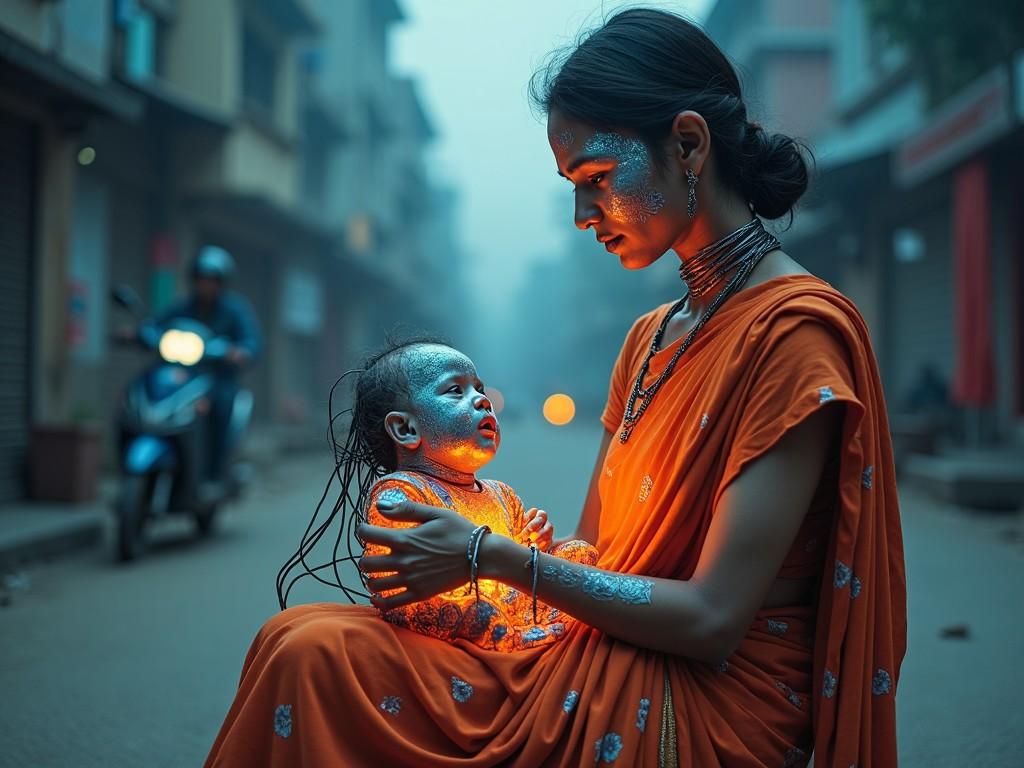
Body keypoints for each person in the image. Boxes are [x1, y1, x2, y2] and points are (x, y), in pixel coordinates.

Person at [204, 9, 905, 767]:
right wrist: (471, 559)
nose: (581, 215)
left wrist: (489, 556)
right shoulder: (648, 339)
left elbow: (711, 619)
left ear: (689, 145)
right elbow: (599, 554)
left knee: (314, 665)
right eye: (572, 187)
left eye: (598, 179)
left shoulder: (795, 334)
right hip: (601, 646)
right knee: (297, 637)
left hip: (711, 691)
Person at [142, 245, 262, 496]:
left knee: (220, 404)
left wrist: (240, 351)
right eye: (201, 279)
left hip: (216, 378)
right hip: (182, 376)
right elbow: (157, 326)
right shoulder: (182, 307)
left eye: (211, 281)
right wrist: (138, 334)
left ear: (221, 283)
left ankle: (213, 472)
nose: (205, 286)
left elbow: (251, 341)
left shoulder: (235, 310)